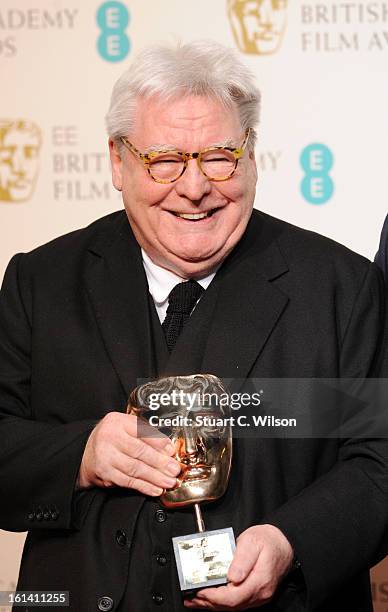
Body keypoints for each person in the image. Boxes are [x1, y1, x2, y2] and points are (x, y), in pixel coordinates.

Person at [0, 40, 387, 612]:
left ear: (251, 155)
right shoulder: (40, 282)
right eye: (164, 159)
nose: (194, 186)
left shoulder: (341, 288)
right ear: (116, 161)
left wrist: (290, 544)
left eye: (219, 156)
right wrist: (80, 454)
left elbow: (378, 464)